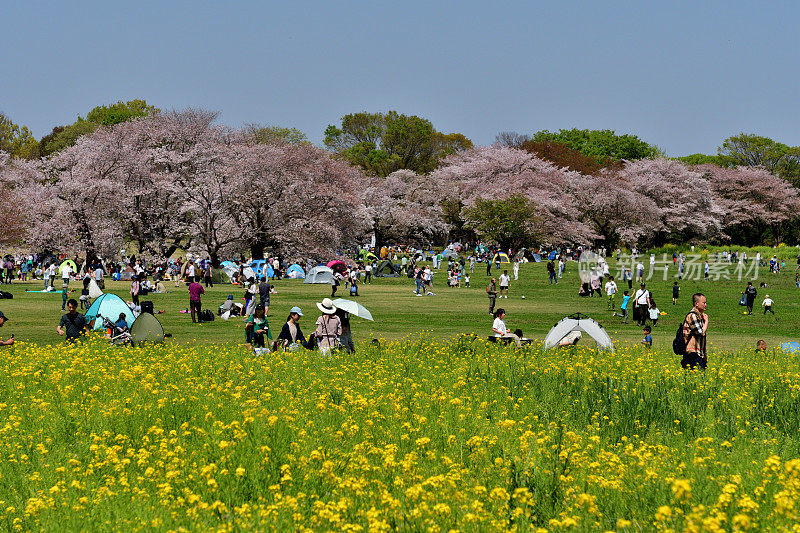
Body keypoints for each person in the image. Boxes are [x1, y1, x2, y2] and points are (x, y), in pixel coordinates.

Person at [681, 293, 709, 370]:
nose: (706, 305)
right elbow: (701, 333)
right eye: (704, 303)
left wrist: (704, 354)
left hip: (699, 353)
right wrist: (706, 321)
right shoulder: (692, 316)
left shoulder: (699, 316)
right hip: (692, 353)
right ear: (696, 304)